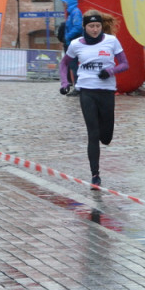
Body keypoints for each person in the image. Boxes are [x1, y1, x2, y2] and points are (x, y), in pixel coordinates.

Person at [58, 12, 129, 188]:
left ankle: (102, 147)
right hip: (86, 90)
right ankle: (95, 175)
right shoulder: (76, 45)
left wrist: (110, 71)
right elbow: (64, 63)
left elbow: (124, 64)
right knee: (93, 133)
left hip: (106, 91)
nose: (95, 29)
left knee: (106, 137)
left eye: (97, 26)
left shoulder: (111, 41)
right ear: (85, 28)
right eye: (91, 26)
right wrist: (65, 82)